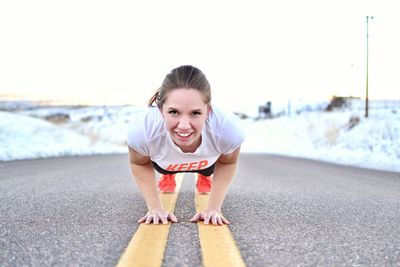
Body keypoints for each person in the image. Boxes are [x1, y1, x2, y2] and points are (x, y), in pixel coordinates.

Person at [127, 65, 245, 226]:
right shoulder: (143, 129)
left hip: (208, 163)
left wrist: (214, 208)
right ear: (161, 110)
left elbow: (228, 161)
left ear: (208, 111)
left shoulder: (226, 128)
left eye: (195, 113)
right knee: (165, 162)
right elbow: (138, 162)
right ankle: (169, 174)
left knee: (209, 166)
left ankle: (203, 177)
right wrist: (154, 208)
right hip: (164, 163)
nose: (183, 125)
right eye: (174, 112)